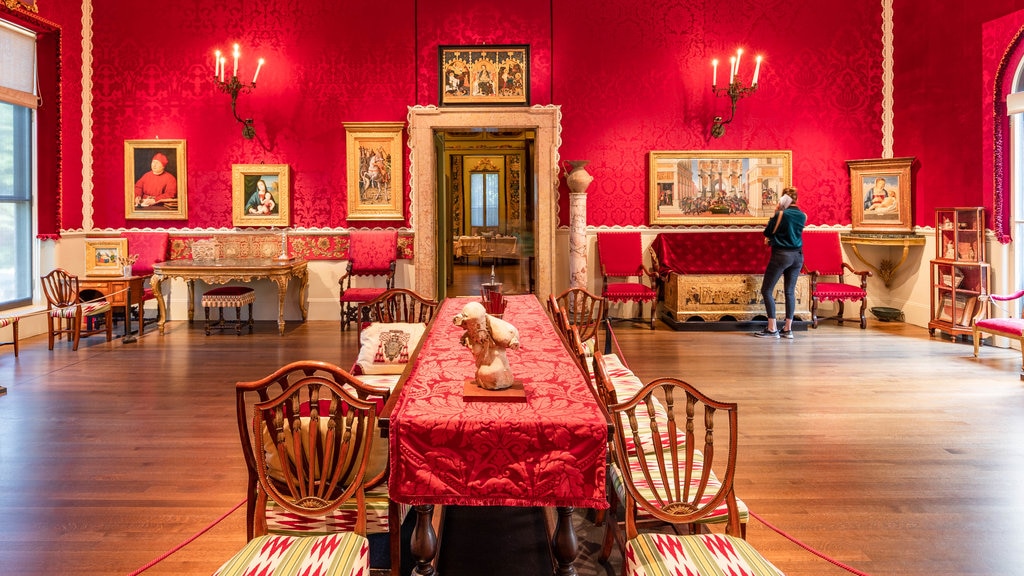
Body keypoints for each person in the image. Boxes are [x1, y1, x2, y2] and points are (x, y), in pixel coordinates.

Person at [755, 187, 807, 339]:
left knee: (766, 290)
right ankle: (787, 329)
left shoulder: (781, 214)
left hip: (781, 255)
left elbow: (767, 233)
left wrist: (776, 212)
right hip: (798, 256)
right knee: (790, 291)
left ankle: (772, 329)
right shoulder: (803, 215)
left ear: (783, 199)